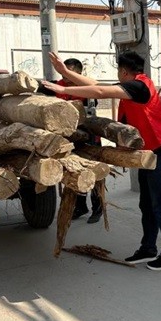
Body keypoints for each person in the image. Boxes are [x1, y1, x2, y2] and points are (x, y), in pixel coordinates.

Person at [43, 51, 161, 271]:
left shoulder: (140, 87)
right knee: (147, 206)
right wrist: (66, 72)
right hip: (149, 156)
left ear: (123, 71)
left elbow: (99, 90)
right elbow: (96, 84)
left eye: (118, 71)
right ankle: (148, 248)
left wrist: (64, 88)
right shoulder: (132, 86)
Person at [55, 57, 103, 224]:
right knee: (74, 171)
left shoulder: (87, 89)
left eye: (70, 73)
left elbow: (91, 108)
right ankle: (80, 206)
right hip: (68, 137)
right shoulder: (57, 86)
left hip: (88, 136)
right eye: (64, 73)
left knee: (94, 173)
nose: (66, 77)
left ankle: (98, 207)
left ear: (79, 74)